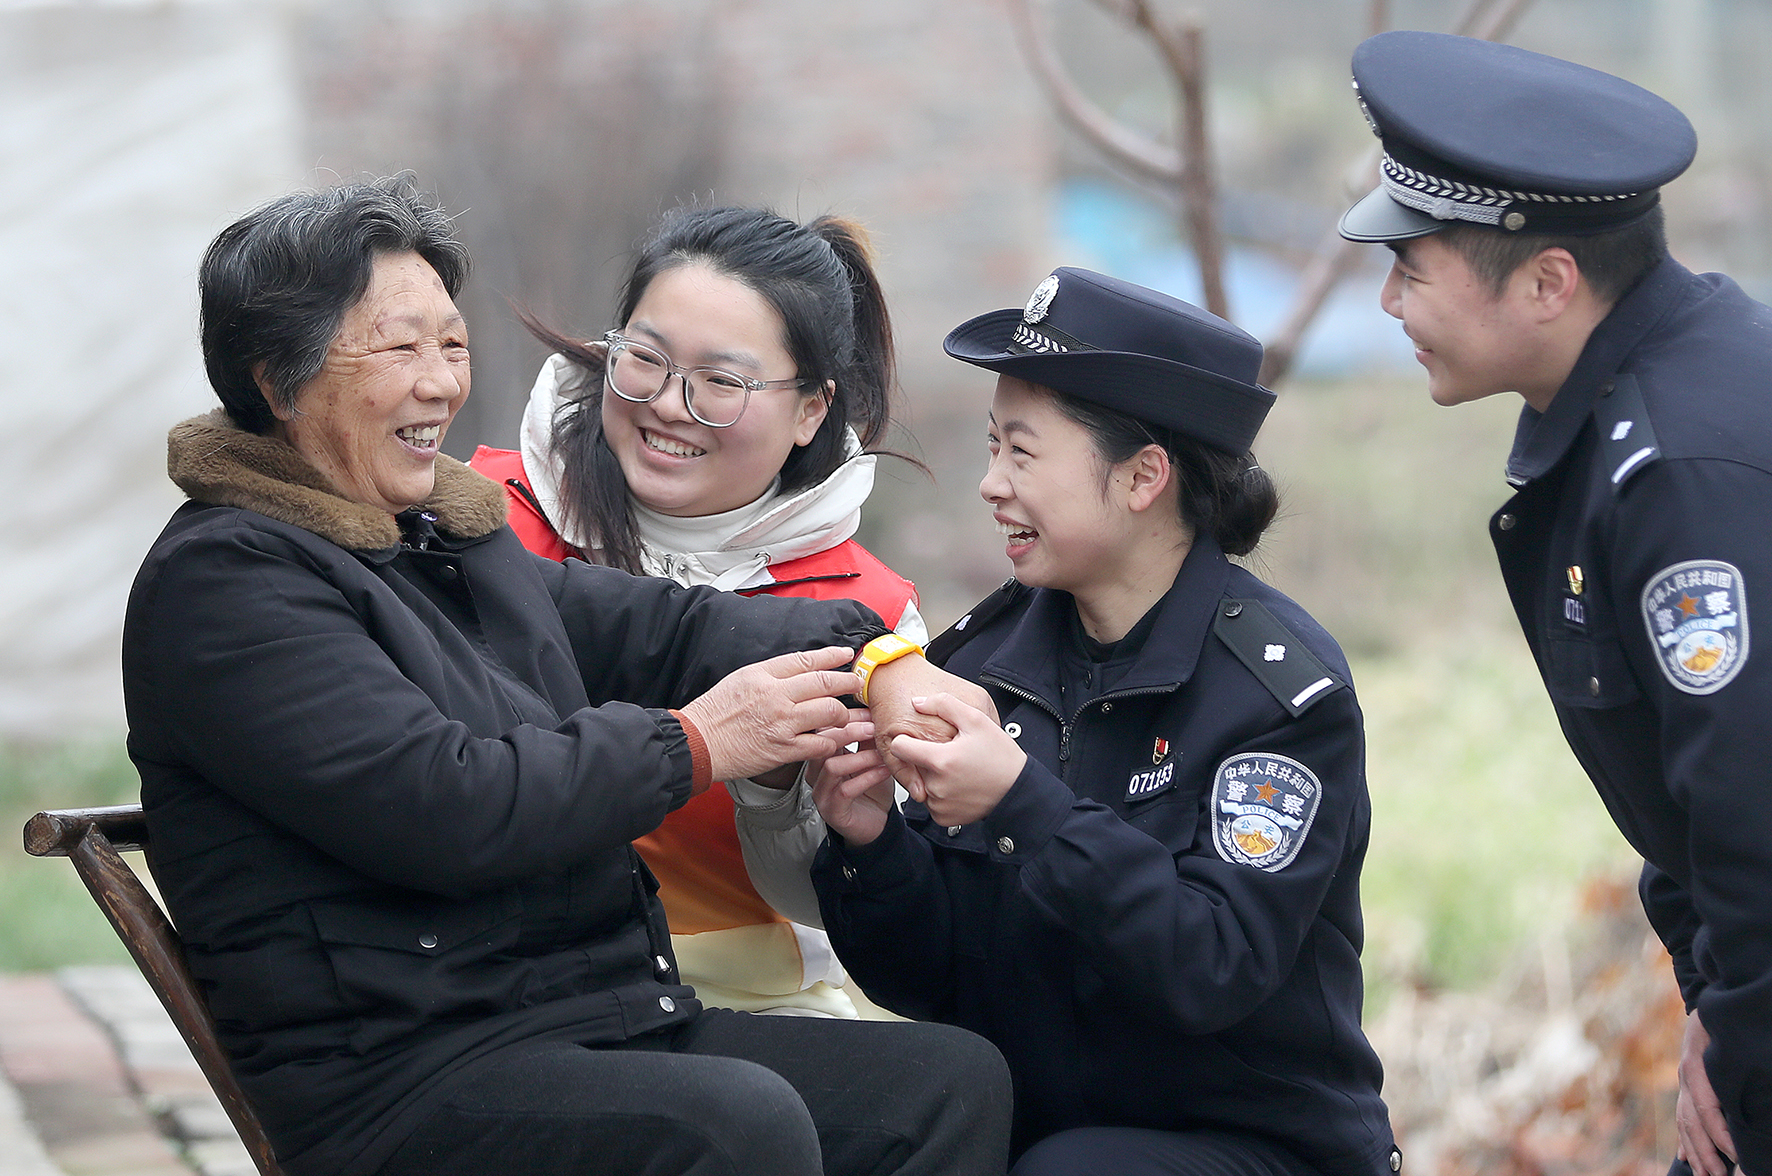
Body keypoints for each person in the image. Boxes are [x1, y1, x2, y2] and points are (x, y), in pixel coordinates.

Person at [122, 176, 1012, 1176]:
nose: (440, 384)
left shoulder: (435, 539)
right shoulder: (228, 582)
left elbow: (667, 628)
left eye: (452, 345)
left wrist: (881, 659)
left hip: (588, 1020)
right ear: (276, 380)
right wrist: (700, 743)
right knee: (734, 1125)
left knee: (947, 1083)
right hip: (403, 1079)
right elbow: (447, 805)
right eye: (400, 349)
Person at [808, 267, 1399, 1176]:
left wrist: (1023, 805)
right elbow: (932, 982)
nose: (990, 484)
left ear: (1143, 476)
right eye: (992, 446)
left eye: (1022, 453)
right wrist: (871, 844)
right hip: (1041, 1139)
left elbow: (1212, 967)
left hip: (1252, 1147)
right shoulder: (984, 663)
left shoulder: (1275, 696)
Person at [1337, 30, 1772, 1176]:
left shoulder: (1679, 471)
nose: (1386, 301)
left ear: (1546, 282)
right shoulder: (1650, 391)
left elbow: (1751, 802)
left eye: (1409, 268)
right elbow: (1689, 793)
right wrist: (1717, 1001)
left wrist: (1744, 1052)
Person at [469, 206, 924, 1018]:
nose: (670, 406)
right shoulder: (481, 515)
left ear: (813, 409)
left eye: (721, 382)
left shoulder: (871, 615)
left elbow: (838, 907)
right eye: (645, 358)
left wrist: (776, 788)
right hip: (493, 985)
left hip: (748, 1007)